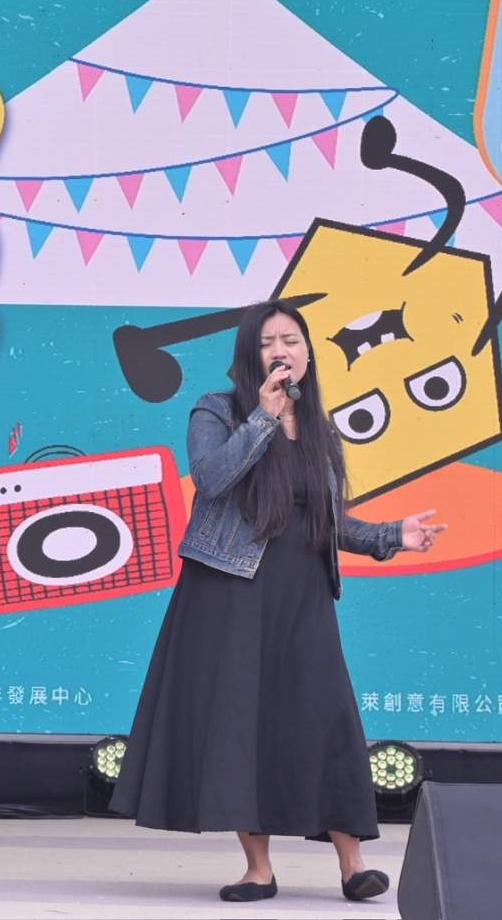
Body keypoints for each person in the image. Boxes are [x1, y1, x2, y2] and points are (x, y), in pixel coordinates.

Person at [109, 299, 446, 903]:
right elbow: (212, 478)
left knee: (325, 716)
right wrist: (263, 418)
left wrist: (392, 535)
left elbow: (329, 520)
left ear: (308, 353)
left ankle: (353, 865)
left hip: (302, 592)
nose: (281, 350)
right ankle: (258, 869)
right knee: (244, 722)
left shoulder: (320, 429)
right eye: (267, 343)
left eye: (291, 340)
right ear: (250, 356)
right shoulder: (217, 409)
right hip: (231, 590)